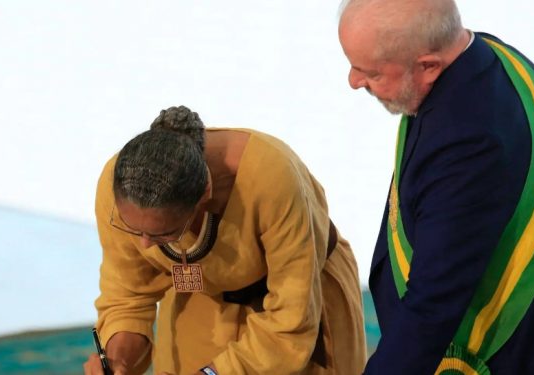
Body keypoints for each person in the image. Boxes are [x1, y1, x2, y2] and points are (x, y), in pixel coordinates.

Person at [337, 0, 534, 373]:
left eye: (369, 72)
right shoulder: (489, 57)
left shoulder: (469, 140)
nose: (353, 81)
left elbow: (433, 305)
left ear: (428, 65)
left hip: (526, 355)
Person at [83, 106, 366, 375]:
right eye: (134, 230)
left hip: (297, 303)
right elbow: (128, 295)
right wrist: (118, 359)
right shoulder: (122, 188)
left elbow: (291, 321)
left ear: (205, 193)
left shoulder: (272, 181)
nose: (144, 245)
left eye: (163, 234)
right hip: (200, 299)